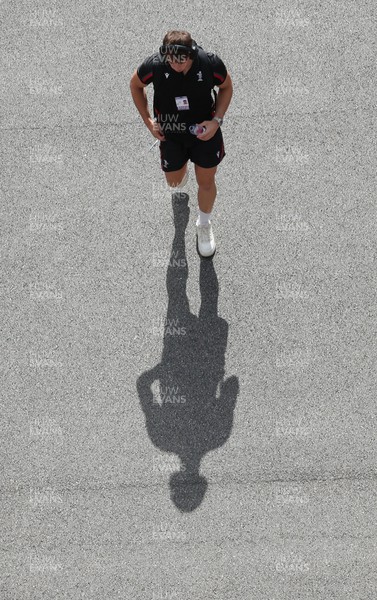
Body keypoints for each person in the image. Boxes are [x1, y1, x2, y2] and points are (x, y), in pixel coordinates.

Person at [129, 30, 233, 258]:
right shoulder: (154, 66)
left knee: (206, 181)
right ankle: (181, 173)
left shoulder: (209, 63)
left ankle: (203, 224)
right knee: (175, 182)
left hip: (204, 131)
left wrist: (216, 121)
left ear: (192, 54)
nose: (176, 65)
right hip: (171, 133)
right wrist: (149, 122)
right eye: (171, 60)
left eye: (181, 60)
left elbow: (226, 87)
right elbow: (135, 84)